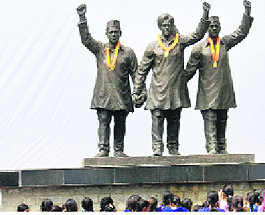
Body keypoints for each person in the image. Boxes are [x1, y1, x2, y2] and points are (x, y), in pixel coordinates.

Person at [132, 3, 211, 156]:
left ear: (173, 26)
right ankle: (157, 147)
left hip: (175, 90)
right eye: (164, 25)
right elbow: (142, 70)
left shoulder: (180, 42)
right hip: (157, 90)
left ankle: (173, 147)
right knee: (157, 118)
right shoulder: (152, 46)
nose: (167, 27)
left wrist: (205, 15)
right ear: (160, 27)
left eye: (169, 24)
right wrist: (136, 90)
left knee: (174, 119)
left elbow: (197, 35)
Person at [185, 0, 253, 154]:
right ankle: (211, 150)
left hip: (223, 91)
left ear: (220, 28)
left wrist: (247, 11)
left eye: (216, 26)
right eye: (211, 26)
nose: (214, 28)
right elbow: (188, 71)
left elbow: (241, 32)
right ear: (207, 28)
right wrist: (175, 84)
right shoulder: (199, 49)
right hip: (207, 93)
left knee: (222, 121)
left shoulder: (225, 43)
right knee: (210, 123)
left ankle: (222, 149)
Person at [77, 4, 138, 158]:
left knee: (120, 123)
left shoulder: (128, 52)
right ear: (106, 33)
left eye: (116, 32)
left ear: (120, 33)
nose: (113, 34)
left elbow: (136, 74)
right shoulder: (99, 49)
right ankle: (103, 148)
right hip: (103, 94)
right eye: (110, 32)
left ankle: (118, 149)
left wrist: (138, 91)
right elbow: (86, 39)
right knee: (103, 121)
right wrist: (82, 18)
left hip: (121, 94)